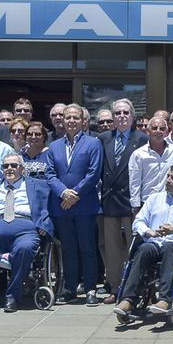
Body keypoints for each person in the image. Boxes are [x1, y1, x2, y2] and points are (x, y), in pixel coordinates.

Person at [114, 165, 173, 324]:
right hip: (154, 243)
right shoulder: (154, 199)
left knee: (168, 248)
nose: (168, 180)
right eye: (168, 176)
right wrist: (148, 231)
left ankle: (165, 299)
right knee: (143, 249)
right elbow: (138, 222)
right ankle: (128, 299)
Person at [0, 153, 55, 314]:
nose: (9, 168)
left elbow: (48, 208)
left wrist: (45, 223)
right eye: (5, 166)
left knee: (25, 248)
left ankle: (13, 295)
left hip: (24, 229)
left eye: (14, 165)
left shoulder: (39, 185)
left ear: (22, 169)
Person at [47, 103, 104, 305]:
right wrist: (63, 193)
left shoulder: (93, 143)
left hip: (85, 205)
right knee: (68, 249)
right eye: (68, 117)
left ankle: (90, 289)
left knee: (87, 248)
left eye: (75, 117)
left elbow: (94, 173)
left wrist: (74, 194)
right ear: (62, 120)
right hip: (61, 206)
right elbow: (50, 174)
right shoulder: (54, 146)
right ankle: (70, 288)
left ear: (83, 121)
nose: (71, 121)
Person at [98, 99, 148, 302]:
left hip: (131, 202)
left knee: (133, 248)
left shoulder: (142, 139)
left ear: (132, 116)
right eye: (117, 113)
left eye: (125, 112)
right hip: (109, 201)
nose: (121, 116)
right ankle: (115, 287)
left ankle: (134, 288)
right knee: (111, 249)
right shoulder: (103, 139)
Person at [128, 115, 173, 209]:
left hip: (170, 202)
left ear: (166, 132)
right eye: (154, 128)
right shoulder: (138, 154)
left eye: (162, 128)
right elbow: (134, 182)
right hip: (147, 203)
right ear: (148, 131)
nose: (158, 131)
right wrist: (135, 206)